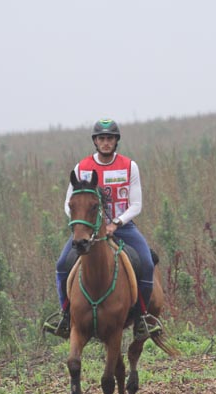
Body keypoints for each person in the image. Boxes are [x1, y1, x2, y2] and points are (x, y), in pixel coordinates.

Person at [43, 118, 162, 340]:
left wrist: (115, 223)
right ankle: (65, 316)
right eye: (102, 138)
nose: (106, 142)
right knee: (61, 265)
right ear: (95, 141)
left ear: (116, 141)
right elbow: (69, 203)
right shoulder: (81, 168)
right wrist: (82, 225)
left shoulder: (129, 166)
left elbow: (136, 205)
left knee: (146, 263)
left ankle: (142, 318)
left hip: (123, 227)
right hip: (89, 229)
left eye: (110, 138)